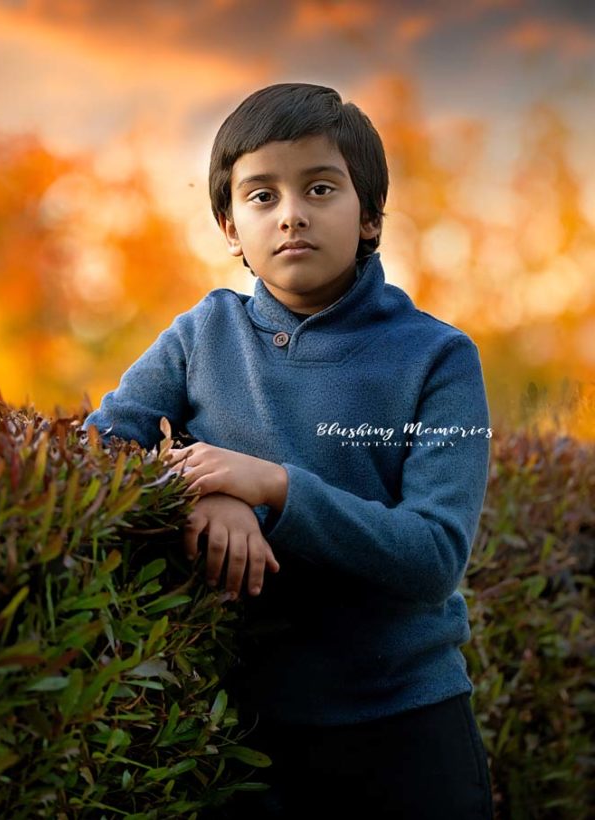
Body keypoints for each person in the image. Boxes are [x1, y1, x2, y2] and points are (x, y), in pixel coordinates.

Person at [81, 83, 496, 819]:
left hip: (407, 729)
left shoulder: (439, 359)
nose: (292, 213)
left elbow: (433, 557)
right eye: (262, 195)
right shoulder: (199, 337)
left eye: (321, 188)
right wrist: (205, 492)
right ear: (229, 227)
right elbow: (98, 456)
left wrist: (273, 487)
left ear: (369, 217)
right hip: (242, 731)